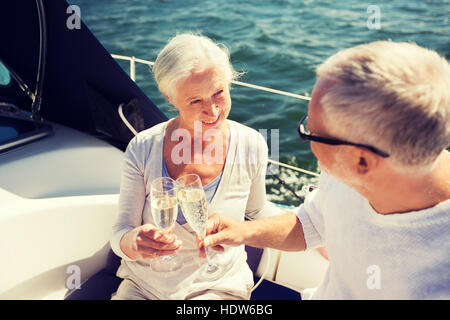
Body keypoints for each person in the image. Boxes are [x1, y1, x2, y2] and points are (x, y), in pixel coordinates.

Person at [202, 41, 450, 299]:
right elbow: (312, 222)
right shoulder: (349, 168)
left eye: (311, 132)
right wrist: (242, 232)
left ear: (362, 162)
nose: (306, 134)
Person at [110, 33, 281, 300]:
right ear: (170, 97)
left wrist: (314, 226)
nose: (213, 111)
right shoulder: (142, 147)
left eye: (219, 93)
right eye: (195, 101)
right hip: (143, 286)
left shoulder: (251, 144)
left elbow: (257, 210)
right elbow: (121, 231)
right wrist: (133, 243)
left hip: (218, 287)